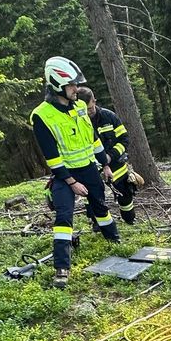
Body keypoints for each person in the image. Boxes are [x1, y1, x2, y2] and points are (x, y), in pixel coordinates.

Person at [30, 57, 119, 289]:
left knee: (100, 205)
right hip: (64, 174)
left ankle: (113, 239)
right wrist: (71, 182)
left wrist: (105, 164)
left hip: (88, 167)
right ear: (57, 85)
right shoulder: (42, 116)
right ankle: (62, 268)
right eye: (71, 85)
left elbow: (93, 139)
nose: (76, 89)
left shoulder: (80, 106)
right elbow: (52, 157)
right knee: (64, 217)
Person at [76, 87, 143, 225]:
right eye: (86, 110)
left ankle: (129, 219)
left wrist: (110, 156)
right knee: (94, 197)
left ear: (94, 101)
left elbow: (124, 139)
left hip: (116, 165)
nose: (90, 111)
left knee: (125, 193)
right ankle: (97, 224)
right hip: (92, 167)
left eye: (91, 107)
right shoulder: (77, 123)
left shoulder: (109, 116)